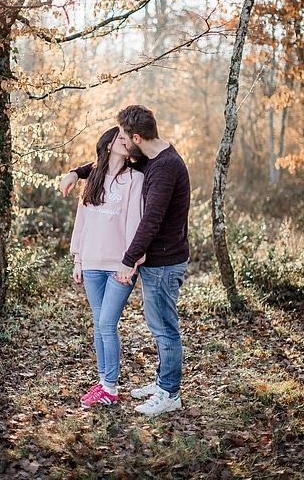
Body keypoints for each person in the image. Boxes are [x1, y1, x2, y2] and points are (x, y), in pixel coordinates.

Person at [61, 105, 191, 415]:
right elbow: (101, 165)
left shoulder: (161, 168)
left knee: (163, 327)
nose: (118, 139)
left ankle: (169, 392)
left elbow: (149, 220)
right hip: (144, 261)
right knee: (151, 323)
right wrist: (77, 172)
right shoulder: (150, 158)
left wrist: (129, 260)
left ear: (135, 137)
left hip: (163, 260)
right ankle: (162, 383)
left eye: (122, 134)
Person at [70, 126, 144, 408]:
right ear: (109, 143)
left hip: (119, 265)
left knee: (106, 323)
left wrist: (131, 263)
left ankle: (110, 389)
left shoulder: (135, 179)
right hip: (90, 261)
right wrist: (78, 257)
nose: (124, 142)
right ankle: (104, 383)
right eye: (120, 138)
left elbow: (135, 222)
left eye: (128, 139)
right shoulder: (93, 177)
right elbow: (82, 220)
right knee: (99, 325)